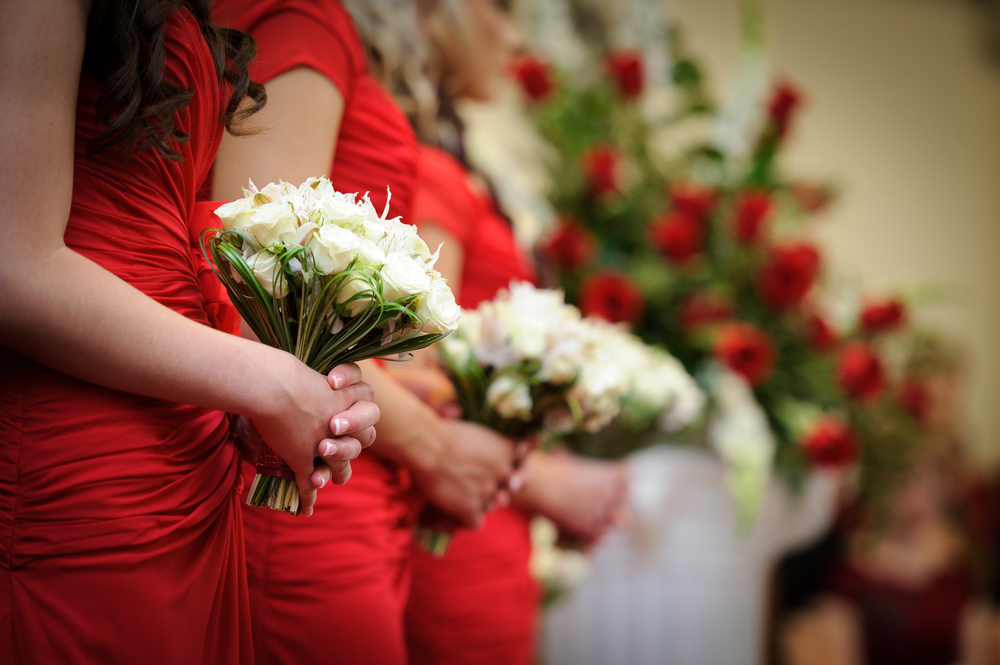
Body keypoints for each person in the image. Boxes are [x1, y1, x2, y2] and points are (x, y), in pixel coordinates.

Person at [0, 1, 379, 663]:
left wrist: (260, 400)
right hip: (80, 447)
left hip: (186, 443)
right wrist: (267, 381)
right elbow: (13, 260)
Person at [210, 1, 518, 663]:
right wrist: (434, 447)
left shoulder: (342, 41)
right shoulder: (306, 21)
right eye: (504, 7)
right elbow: (259, 293)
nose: (516, 35)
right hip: (310, 482)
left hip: (353, 461)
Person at [396, 2, 629, 663]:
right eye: (500, 6)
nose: (516, 33)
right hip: (457, 519)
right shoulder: (434, 170)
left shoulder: (459, 163)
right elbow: (416, 357)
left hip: (489, 512)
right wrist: (545, 480)